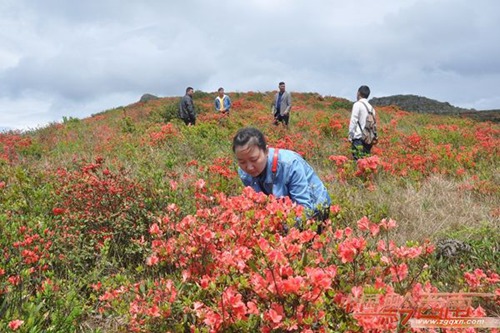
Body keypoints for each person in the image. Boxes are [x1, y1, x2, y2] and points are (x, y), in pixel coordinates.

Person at [232, 127, 331, 233]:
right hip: (284, 211)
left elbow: (304, 208)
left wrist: (283, 229)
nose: (249, 167)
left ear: (266, 151)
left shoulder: (290, 164)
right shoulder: (244, 173)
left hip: (314, 208)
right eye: (242, 162)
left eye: (254, 159)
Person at [348, 85, 376, 160]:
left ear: (358, 93)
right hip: (368, 140)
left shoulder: (357, 104)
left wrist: (350, 135)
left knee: (357, 162)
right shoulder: (372, 108)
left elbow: (353, 121)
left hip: (358, 138)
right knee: (365, 163)